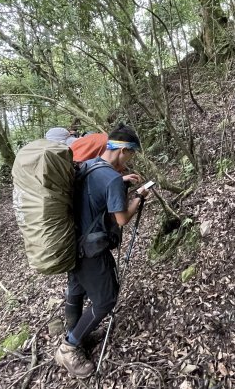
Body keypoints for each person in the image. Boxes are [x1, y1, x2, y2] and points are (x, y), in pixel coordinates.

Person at [55, 124, 149, 378]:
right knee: (106, 300)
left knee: (76, 288)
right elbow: (121, 219)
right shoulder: (111, 179)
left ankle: (75, 332)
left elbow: (97, 193)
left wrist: (121, 182)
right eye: (131, 154)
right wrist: (138, 197)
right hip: (93, 251)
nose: (130, 160)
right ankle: (69, 347)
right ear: (124, 150)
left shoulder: (90, 165)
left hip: (72, 244)